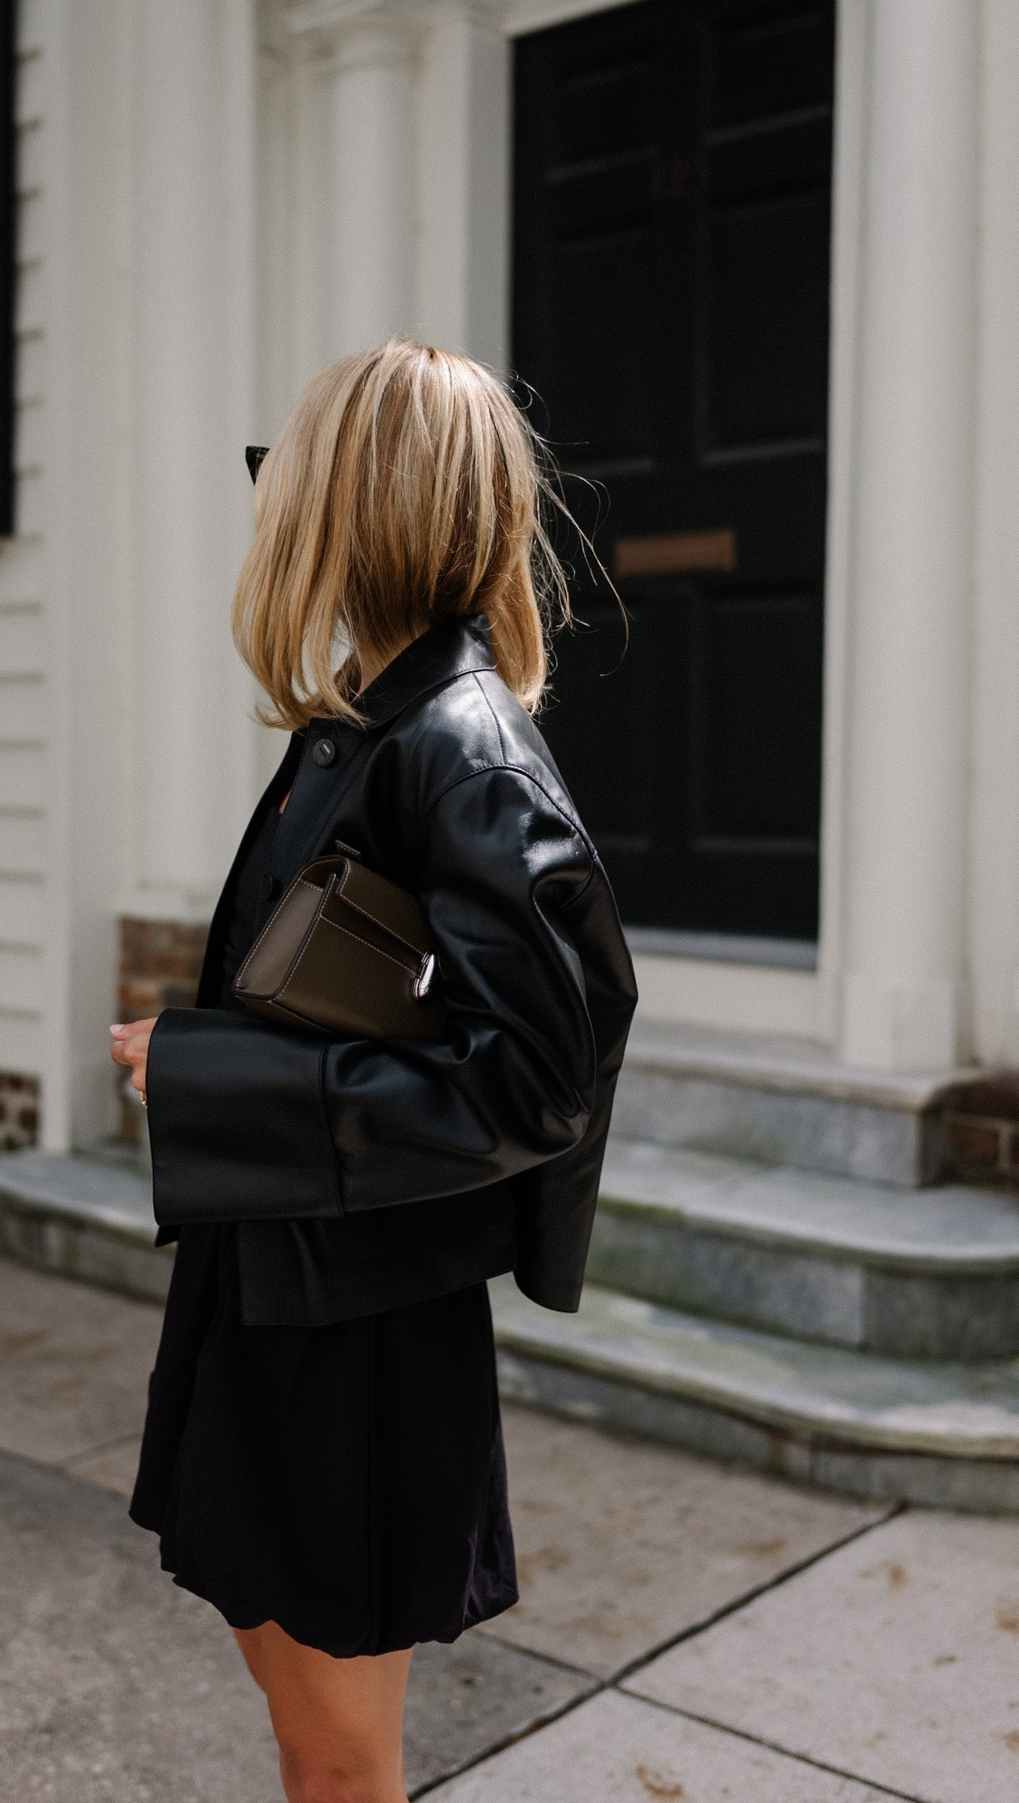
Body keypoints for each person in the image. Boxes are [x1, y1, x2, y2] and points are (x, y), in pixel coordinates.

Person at [111, 338, 636, 1803]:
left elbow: (530, 1083)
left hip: (358, 1329)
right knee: (302, 1730)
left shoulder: (461, 750)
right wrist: (209, 1057)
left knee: (341, 1760)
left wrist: (216, 1083)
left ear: (362, 506)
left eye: (289, 479)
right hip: (285, 1282)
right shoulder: (373, 724)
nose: (269, 509)